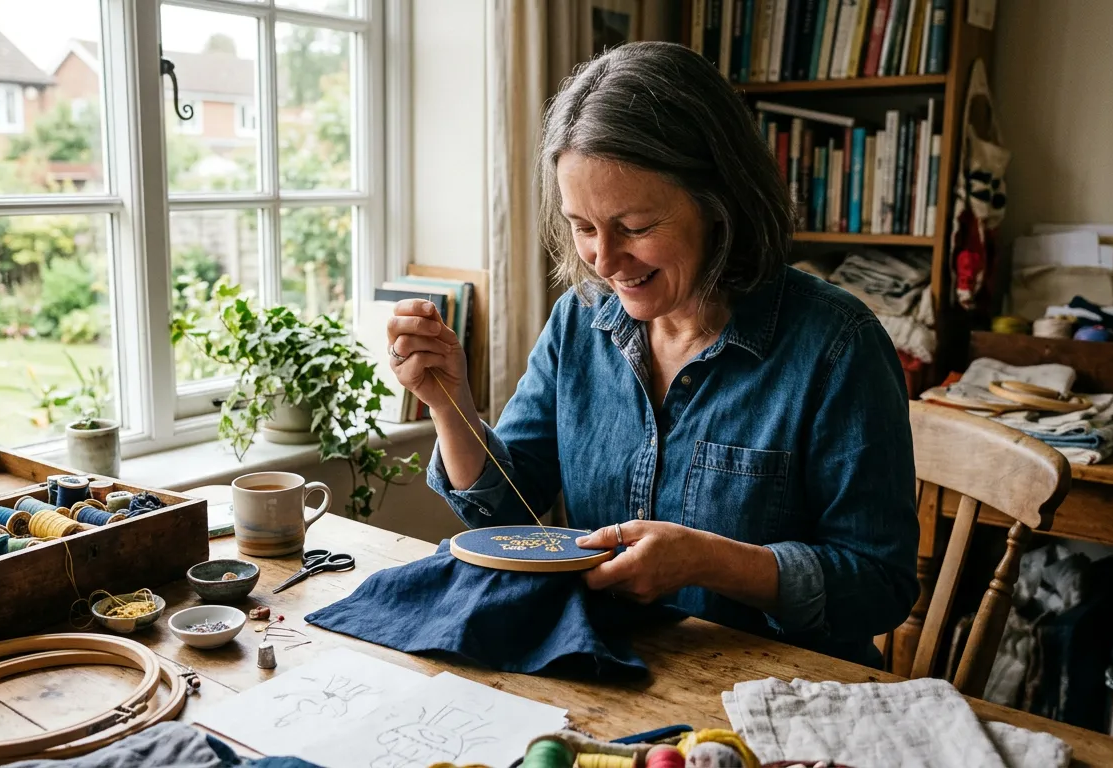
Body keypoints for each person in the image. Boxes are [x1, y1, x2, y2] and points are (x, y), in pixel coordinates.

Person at [385, 42, 917, 664]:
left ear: (719, 203)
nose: (604, 262)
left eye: (634, 227)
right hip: (612, 671)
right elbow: (506, 513)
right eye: (583, 226)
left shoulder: (836, 346)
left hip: (782, 699)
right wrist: (449, 402)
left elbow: (879, 587)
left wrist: (712, 562)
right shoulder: (578, 324)